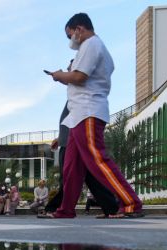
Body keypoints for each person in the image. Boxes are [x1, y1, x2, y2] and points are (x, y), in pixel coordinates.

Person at [45, 13, 142, 219]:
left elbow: (80, 77)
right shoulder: (94, 47)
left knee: (98, 159)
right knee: (71, 168)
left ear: (79, 29)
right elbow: (82, 77)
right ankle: (66, 209)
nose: (70, 40)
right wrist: (67, 76)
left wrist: (60, 75)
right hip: (79, 114)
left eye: (70, 35)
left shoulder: (91, 44)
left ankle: (131, 202)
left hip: (87, 111)